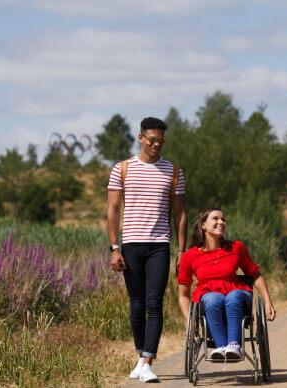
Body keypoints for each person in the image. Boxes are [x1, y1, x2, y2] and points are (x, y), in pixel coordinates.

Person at [106, 117, 188, 383]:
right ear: (140, 138)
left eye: (161, 140)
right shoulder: (123, 169)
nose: (157, 144)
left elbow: (180, 214)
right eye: (152, 139)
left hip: (159, 246)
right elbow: (113, 210)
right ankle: (141, 355)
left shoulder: (174, 171)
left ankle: (147, 360)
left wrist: (182, 250)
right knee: (136, 305)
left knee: (155, 303)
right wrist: (114, 248)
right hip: (130, 244)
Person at [177, 208, 276, 360]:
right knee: (211, 298)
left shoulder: (236, 248)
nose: (221, 222)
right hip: (208, 298)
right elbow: (183, 294)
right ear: (203, 225)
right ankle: (221, 347)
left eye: (223, 219)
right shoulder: (189, 256)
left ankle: (234, 346)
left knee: (233, 296)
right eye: (215, 219)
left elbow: (256, 275)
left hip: (237, 293)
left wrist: (268, 301)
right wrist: (189, 321)